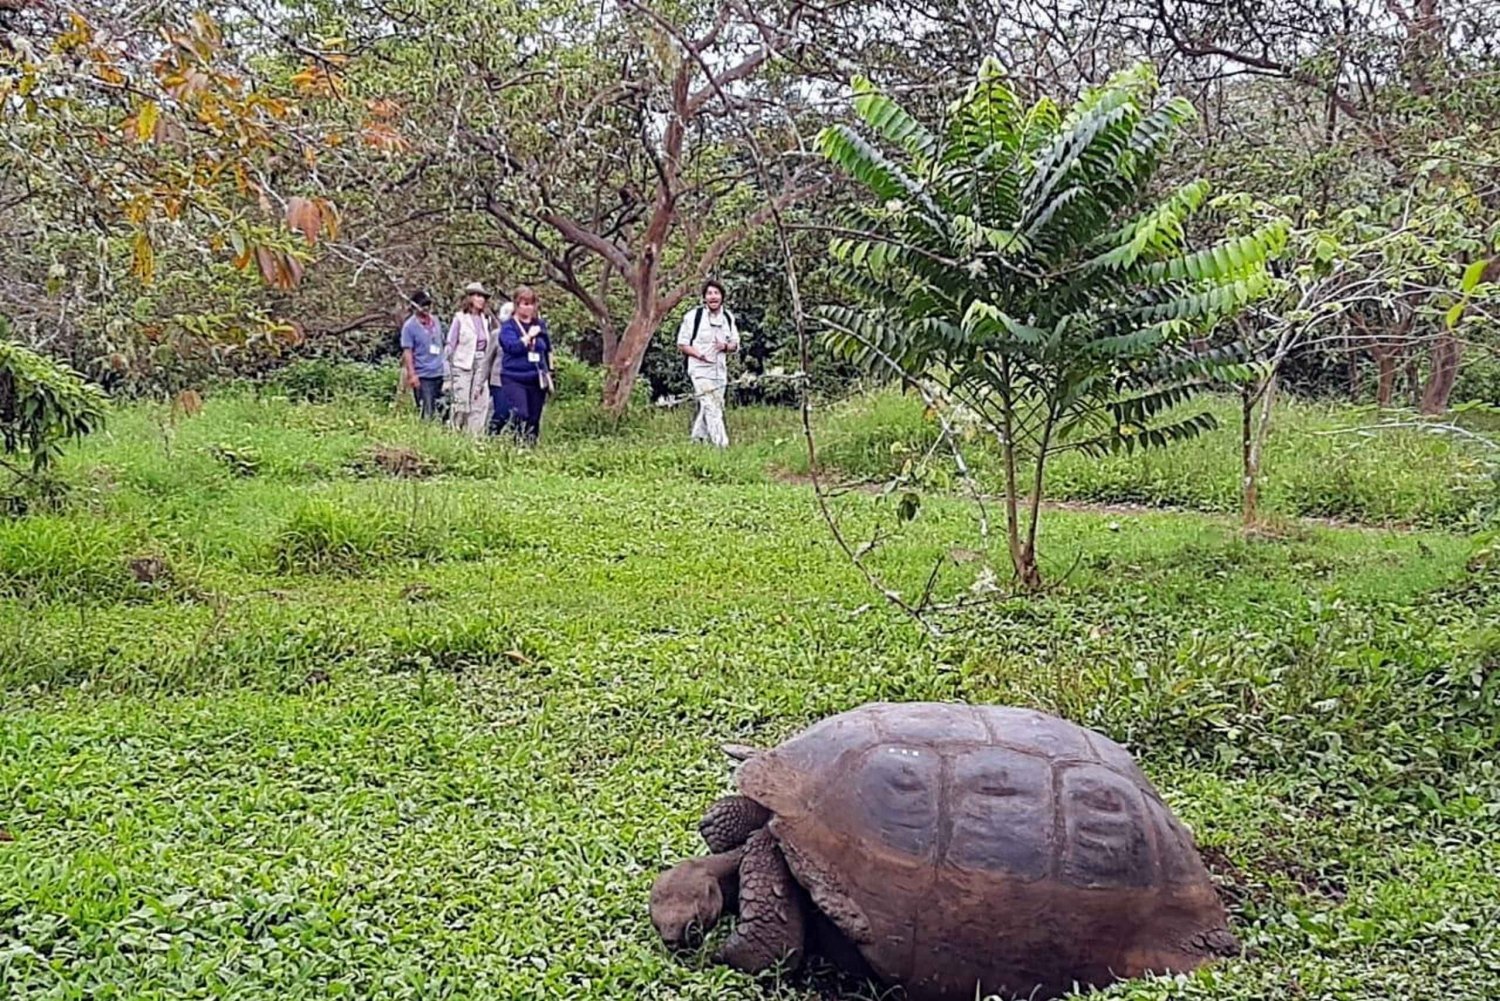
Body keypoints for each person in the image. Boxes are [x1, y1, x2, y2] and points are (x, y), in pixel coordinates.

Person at [675, 279, 741, 447]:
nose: (713, 297)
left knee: (714, 405)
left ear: (722, 297)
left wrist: (724, 346)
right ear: (704, 298)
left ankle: (697, 441)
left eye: (716, 293)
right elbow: (682, 344)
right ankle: (722, 445)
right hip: (699, 369)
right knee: (711, 405)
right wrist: (700, 355)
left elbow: (735, 344)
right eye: (709, 293)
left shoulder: (727, 317)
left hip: (720, 370)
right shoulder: (693, 317)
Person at [492, 285, 553, 444]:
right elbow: (511, 347)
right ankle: (516, 445)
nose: (528, 308)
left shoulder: (539, 325)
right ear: (517, 305)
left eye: (531, 304)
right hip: (514, 377)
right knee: (521, 414)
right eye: (524, 304)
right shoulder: (508, 327)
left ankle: (530, 449)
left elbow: (546, 348)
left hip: (536, 377)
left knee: (534, 417)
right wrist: (528, 337)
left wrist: (549, 371)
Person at [444, 281, 493, 437]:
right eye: (477, 296)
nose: (480, 300)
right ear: (469, 298)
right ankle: (455, 432)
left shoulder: (486, 320)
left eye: (482, 297)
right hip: (463, 364)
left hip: (481, 362)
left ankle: (474, 436)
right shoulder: (460, 318)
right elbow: (451, 344)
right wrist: (448, 372)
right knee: (461, 403)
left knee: (479, 401)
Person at [398, 289, 445, 419]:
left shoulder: (436, 321)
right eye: (423, 305)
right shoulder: (409, 327)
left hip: (440, 372)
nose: (426, 308)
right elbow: (408, 352)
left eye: (428, 305)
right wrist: (412, 375)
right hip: (423, 374)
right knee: (426, 411)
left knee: (443, 410)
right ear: (415, 306)